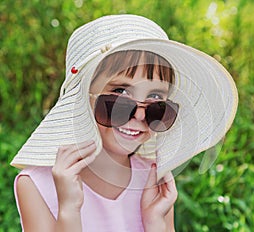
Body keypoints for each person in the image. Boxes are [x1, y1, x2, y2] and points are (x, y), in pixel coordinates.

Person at [11, 14, 238, 232]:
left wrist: (156, 223)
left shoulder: (151, 182)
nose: (140, 115)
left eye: (156, 99)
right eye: (120, 93)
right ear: (82, 99)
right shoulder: (37, 185)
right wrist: (69, 210)